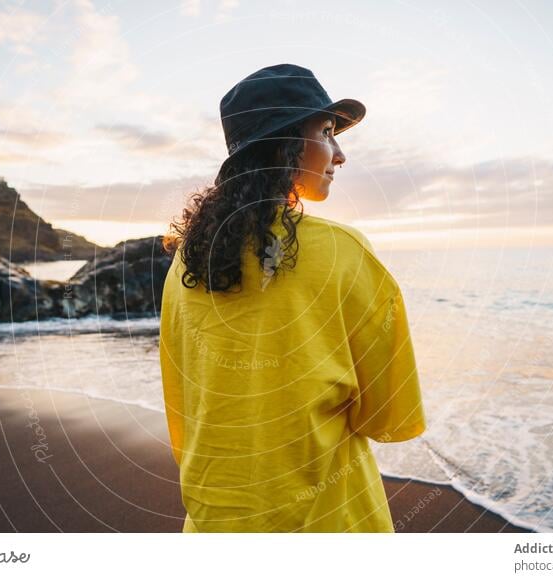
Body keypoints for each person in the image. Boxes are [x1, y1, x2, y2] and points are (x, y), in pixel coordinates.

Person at [159, 63, 426, 532]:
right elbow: (390, 416)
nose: (339, 154)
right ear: (283, 144)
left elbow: (180, 404)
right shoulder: (345, 250)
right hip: (328, 522)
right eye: (326, 132)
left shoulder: (187, 259)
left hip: (214, 524)